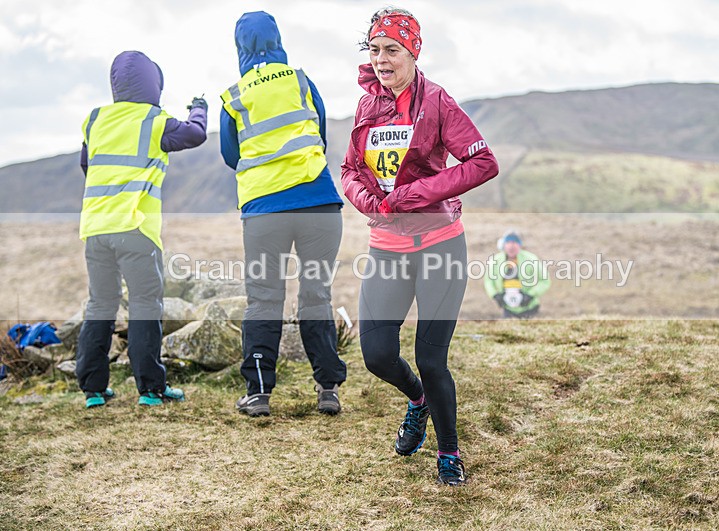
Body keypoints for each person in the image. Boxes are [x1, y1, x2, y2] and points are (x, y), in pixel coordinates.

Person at [341, 8, 499, 486]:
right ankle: (417, 401)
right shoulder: (367, 106)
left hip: (439, 246)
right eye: (375, 50)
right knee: (377, 356)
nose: (382, 60)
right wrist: (366, 197)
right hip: (387, 246)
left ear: (413, 53)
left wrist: (420, 193)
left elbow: (484, 163)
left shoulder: (436, 102)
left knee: (432, 360)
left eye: (392, 51)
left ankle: (449, 451)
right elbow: (349, 170)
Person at [220, 11, 346, 417]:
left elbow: (229, 154)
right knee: (315, 295)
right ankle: (328, 389)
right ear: (277, 39)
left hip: (263, 209)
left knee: (263, 300)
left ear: (239, 46)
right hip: (319, 202)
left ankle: (258, 393)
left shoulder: (234, 96)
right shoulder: (301, 81)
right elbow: (321, 134)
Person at [76, 50, 207, 408]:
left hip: (95, 228)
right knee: (146, 306)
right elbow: (195, 135)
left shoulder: (95, 119)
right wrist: (199, 108)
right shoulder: (154, 120)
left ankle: (93, 391)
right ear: (154, 83)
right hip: (135, 227)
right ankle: (151, 389)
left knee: (100, 305)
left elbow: (87, 165)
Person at [484, 232, 551, 318]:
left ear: (520, 245)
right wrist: (495, 295)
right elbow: (488, 280)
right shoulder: (496, 260)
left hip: (529, 308)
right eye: (508, 242)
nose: (511, 246)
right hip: (508, 309)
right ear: (504, 245)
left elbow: (545, 281)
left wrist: (530, 295)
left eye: (514, 242)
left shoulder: (531, 259)